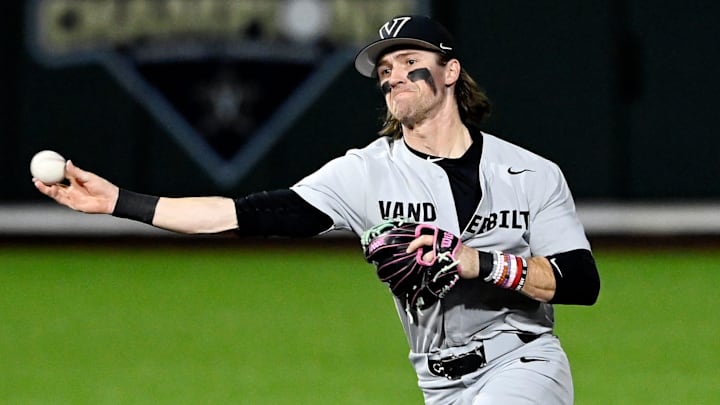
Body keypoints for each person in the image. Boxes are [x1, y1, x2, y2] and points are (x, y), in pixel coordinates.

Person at [35, 15, 600, 405]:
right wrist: (117, 202)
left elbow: (581, 280)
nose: (393, 75)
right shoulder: (364, 173)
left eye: (409, 61)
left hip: (523, 364)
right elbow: (244, 215)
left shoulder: (530, 172)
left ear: (450, 71)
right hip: (439, 384)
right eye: (384, 70)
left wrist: (477, 262)